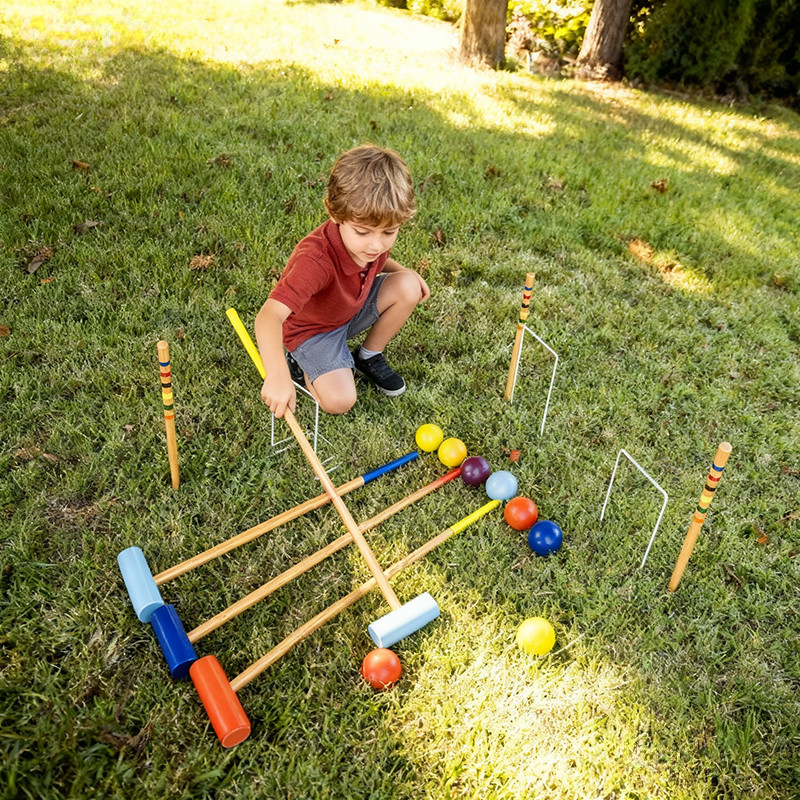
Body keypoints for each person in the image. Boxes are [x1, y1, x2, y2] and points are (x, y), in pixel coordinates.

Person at [254, 144, 430, 419]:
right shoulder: (315, 261)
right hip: (313, 333)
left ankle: (368, 356)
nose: (376, 244)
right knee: (340, 401)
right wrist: (276, 376)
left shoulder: (370, 242)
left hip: (348, 310)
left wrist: (406, 272)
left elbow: (379, 260)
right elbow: (268, 317)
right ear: (334, 213)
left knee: (408, 285)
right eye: (363, 232)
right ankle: (299, 363)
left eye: (389, 232)